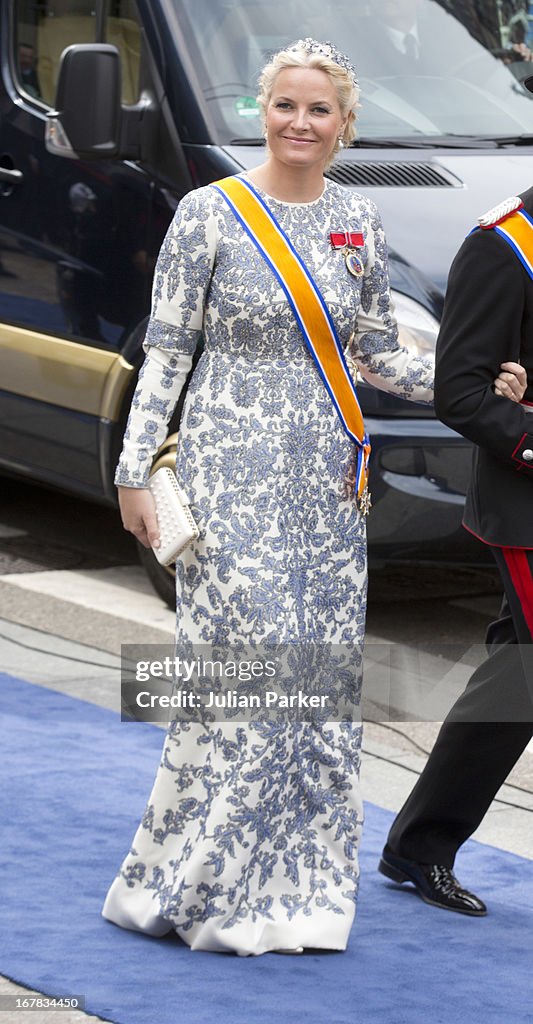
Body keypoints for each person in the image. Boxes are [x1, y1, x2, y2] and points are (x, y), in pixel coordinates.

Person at [101, 38, 520, 955]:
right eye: (284, 106)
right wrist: (135, 473)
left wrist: (478, 380)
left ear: (343, 124)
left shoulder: (358, 221)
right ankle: (207, 890)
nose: (300, 122)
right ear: (265, 112)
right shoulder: (209, 213)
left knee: (316, 686)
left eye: (318, 109)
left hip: (328, 484)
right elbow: (167, 350)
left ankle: (293, 897)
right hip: (227, 474)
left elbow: (374, 350)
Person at [379, 81, 533, 915]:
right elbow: (463, 393)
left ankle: (417, 845)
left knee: (518, 677)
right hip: (530, 506)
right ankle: (419, 843)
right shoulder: (504, 245)